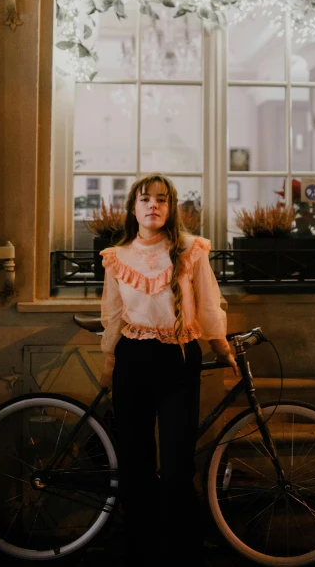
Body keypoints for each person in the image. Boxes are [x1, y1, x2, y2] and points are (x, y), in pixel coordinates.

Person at [99, 173, 238, 567]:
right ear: (133, 208)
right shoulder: (117, 256)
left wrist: (220, 345)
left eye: (162, 199)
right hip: (131, 360)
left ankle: (182, 551)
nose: (154, 206)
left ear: (171, 207)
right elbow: (111, 314)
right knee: (135, 462)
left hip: (178, 360)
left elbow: (209, 303)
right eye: (145, 199)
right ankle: (141, 550)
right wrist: (109, 363)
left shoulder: (191, 250)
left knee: (177, 466)